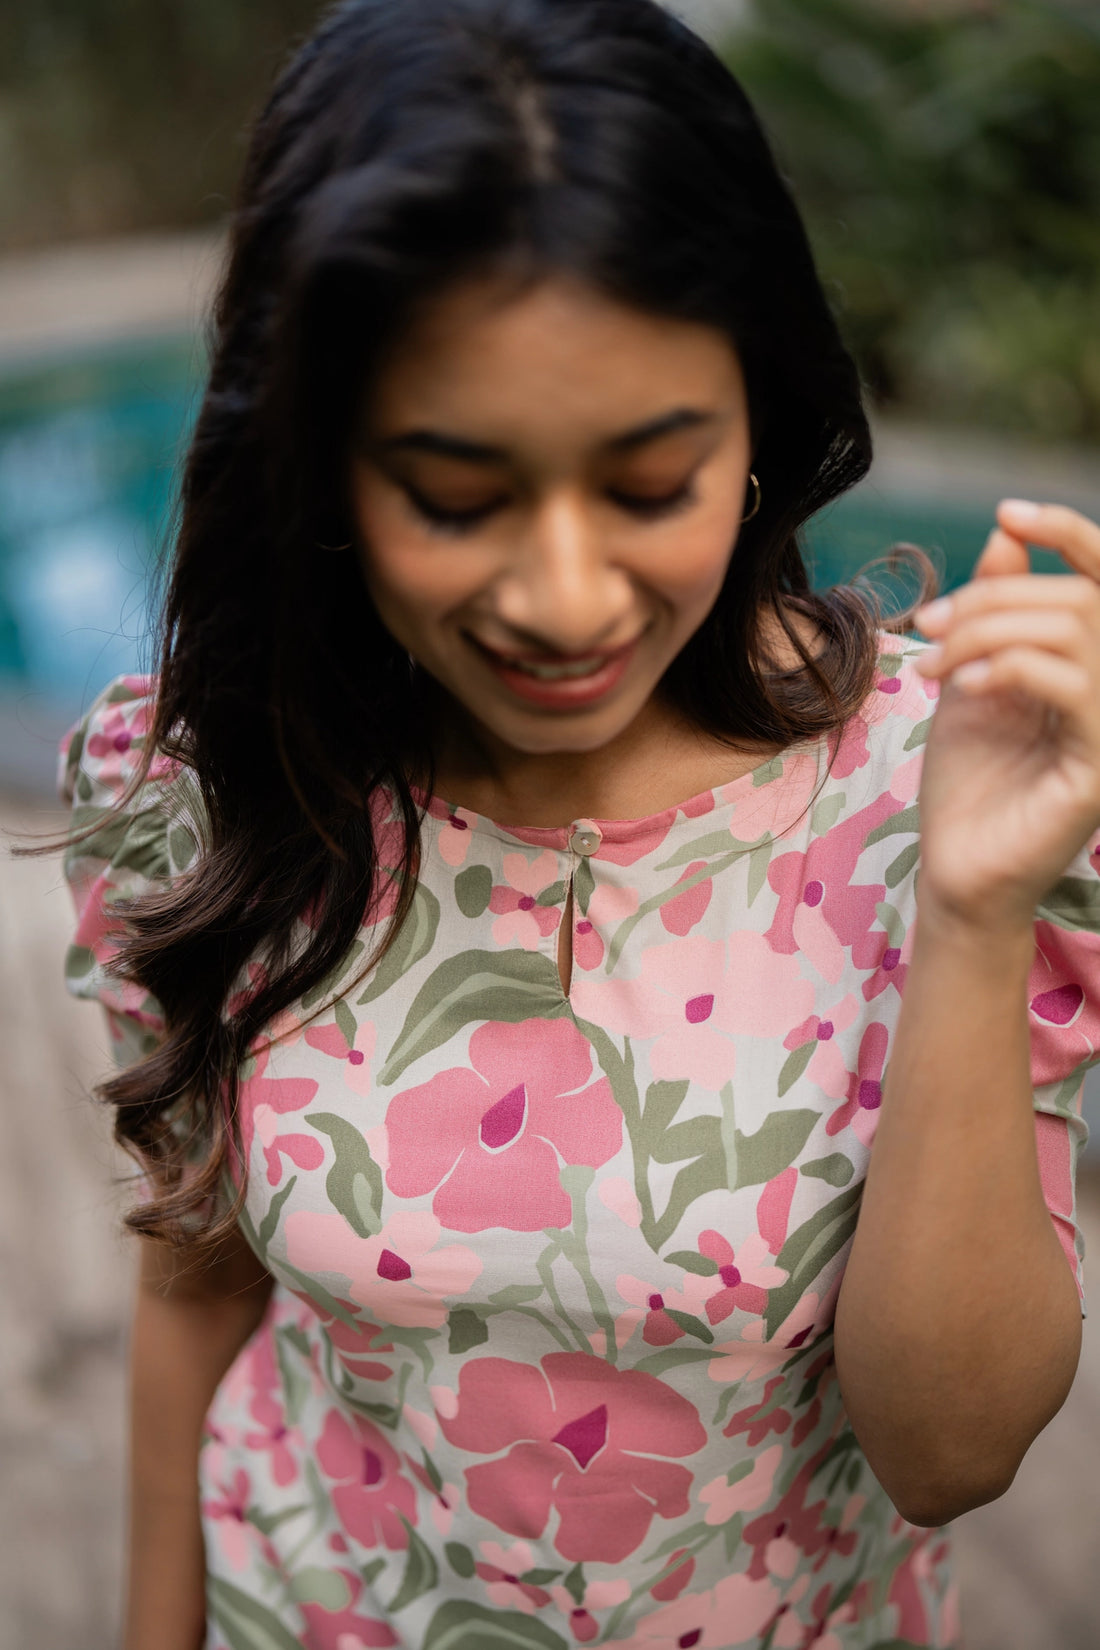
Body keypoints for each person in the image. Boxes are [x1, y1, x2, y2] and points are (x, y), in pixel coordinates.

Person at [56, 1, 1100, 1646]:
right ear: (322, 466)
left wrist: (969, 912)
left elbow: (949, 1455)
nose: (564, 598)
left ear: (755, 427)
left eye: (649, 482)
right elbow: (194, 1283)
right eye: (457, 496)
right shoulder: (208, 787)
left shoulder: (946, 787)